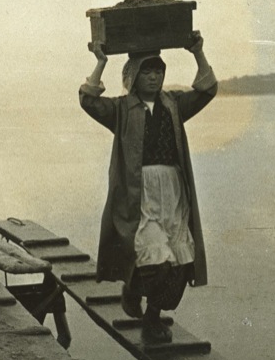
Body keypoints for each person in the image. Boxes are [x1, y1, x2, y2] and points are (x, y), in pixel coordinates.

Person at [79, 31, 217, 343]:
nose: (154, 77)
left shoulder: (174, 104)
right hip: (139, 197)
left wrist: (198, 52)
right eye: (147, 72)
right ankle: (133, 289)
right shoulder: (121, 109)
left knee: (181, 263)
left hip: (173, 195)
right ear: (132, 76)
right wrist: (100, 61)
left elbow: (208, 89)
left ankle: (152, 318)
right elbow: (88, 100)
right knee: (156, 261)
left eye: (158, 71)